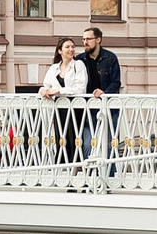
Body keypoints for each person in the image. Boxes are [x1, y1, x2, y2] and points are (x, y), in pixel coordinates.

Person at [80, 26, 122, 173]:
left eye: (88, 39)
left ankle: (108, 179)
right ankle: (89, 178)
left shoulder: (110, 58)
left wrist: (104, 92)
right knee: (87, 144)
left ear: (98, 40)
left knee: (109, 144)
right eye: (83, 39)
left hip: (109, 108)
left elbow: (116, 83)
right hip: (87, 109)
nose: (85, 42)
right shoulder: (80, 60)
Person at [39, 37, 86, 165]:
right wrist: (43, 90)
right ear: (60, 51)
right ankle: (61, 169)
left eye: (73, 47)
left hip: (74, 109)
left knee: (74, 140)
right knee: (61, 139)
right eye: (67, 47)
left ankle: (74, 172)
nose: (71, 50)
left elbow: (80, 89)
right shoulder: (54, 67)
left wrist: (59, 90)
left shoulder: (78, 65)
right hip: (59, 109)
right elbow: (46, 85)